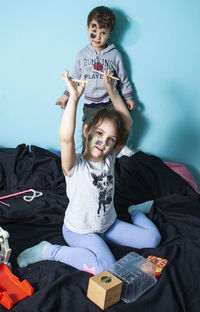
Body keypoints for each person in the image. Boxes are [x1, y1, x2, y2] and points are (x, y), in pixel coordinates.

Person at [17, 69, 161, 275]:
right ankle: (49, 250)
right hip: (80, 232)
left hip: (108, 224)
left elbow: (127, 124)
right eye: (99, 134)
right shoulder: (75, 165)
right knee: (106, 266)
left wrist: (112, 92)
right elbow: (66, 139)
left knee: (153, 240)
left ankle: (134, 211)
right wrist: (74, 99)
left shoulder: (110, 157)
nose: (103, 142)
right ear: (87, 132)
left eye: (110, 139)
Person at [56, 6, 136, 156]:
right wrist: (65, 96)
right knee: (90, 136)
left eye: (103, 33)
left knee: (117, 127)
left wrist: (128, 97)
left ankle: (118, 150)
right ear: (87, 28)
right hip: (90, 104)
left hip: (109, 102)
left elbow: (123, 79)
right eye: (94, 31)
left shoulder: (115, 55)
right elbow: (74, 78)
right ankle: (88, 156)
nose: (97, 36)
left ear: (110, 33)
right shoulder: (81, 54)